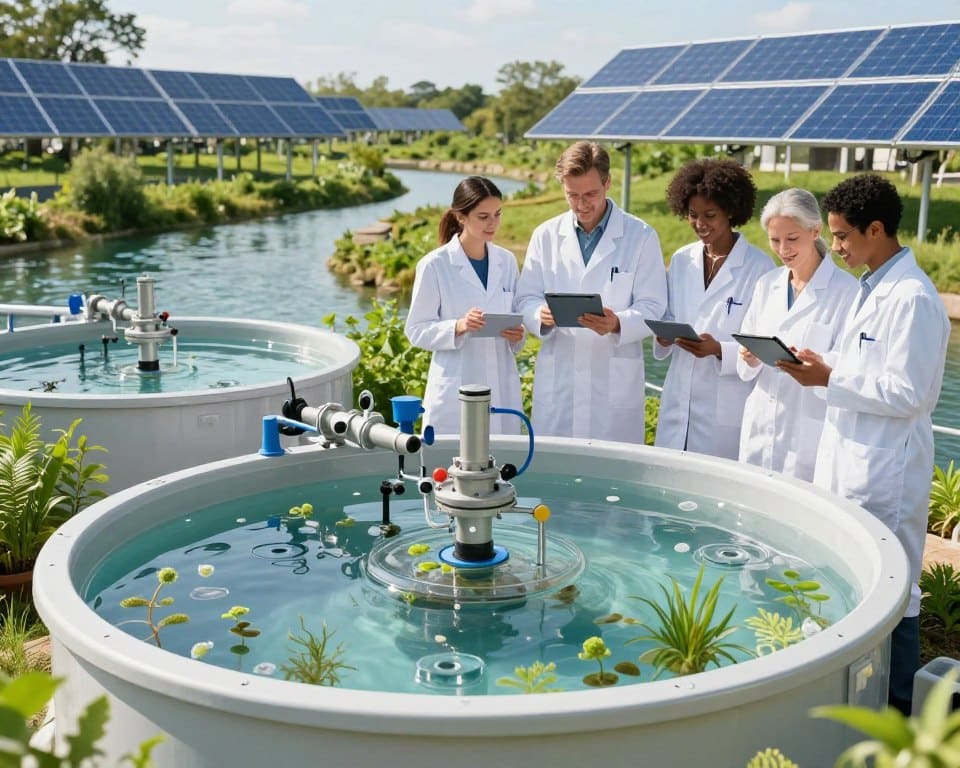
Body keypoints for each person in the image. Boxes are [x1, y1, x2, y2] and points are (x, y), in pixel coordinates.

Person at [778, 173, 950, 715]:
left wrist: (828, 380)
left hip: (886, 470)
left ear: (876, 229)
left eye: (844, 236)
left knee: (896, 586)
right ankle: (850, 691)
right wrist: (825, 367)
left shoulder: (915, 299)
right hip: (852, 453)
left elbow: (909, 392)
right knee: (852, 573)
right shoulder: (874, 286)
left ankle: (899, 704)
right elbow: (869, 369)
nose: (837, 247)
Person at [514, 141, 667, 442]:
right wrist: (538, 314)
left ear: (608, 183)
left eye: (590, 195)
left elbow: (654, 305)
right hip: (560, 382)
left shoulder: (641, 236)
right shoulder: (545, 235)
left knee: (613, 475)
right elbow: (525, 298)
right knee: (557, 476)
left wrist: (618, 322)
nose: (582, 205)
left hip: (613, 385)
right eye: (572, 195)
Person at [653, 158, 773, 459]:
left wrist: (719, 349)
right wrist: (664, 336)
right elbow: (669, 316)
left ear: (731, 211)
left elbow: (763, 343)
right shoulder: (682, 259)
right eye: (692, 215)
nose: (700, 224)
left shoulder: (759, 268)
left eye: (710, 215)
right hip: (679, 399)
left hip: (726, 404)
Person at [736, 188, 858, 481]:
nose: (782, 249)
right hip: (760, 425)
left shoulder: (847, 291)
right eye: (774, 240)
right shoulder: (767, 284)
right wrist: (749, 356)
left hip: (808, 432)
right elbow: (745, 361)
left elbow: (850, 362)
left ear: (815, 231)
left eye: (792, 239)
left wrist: (815, 363)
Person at [404, 176, 524, 435]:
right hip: (456, 387)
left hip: (501, 385)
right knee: (451, 470)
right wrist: (458, 326)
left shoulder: (507, 261)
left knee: (502, 465)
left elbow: (515, 320)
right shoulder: (435, 265)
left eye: (497, 214)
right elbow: (416, 330)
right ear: (461, 217)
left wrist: (517, 336)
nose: (493, 223)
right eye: (483, 217)